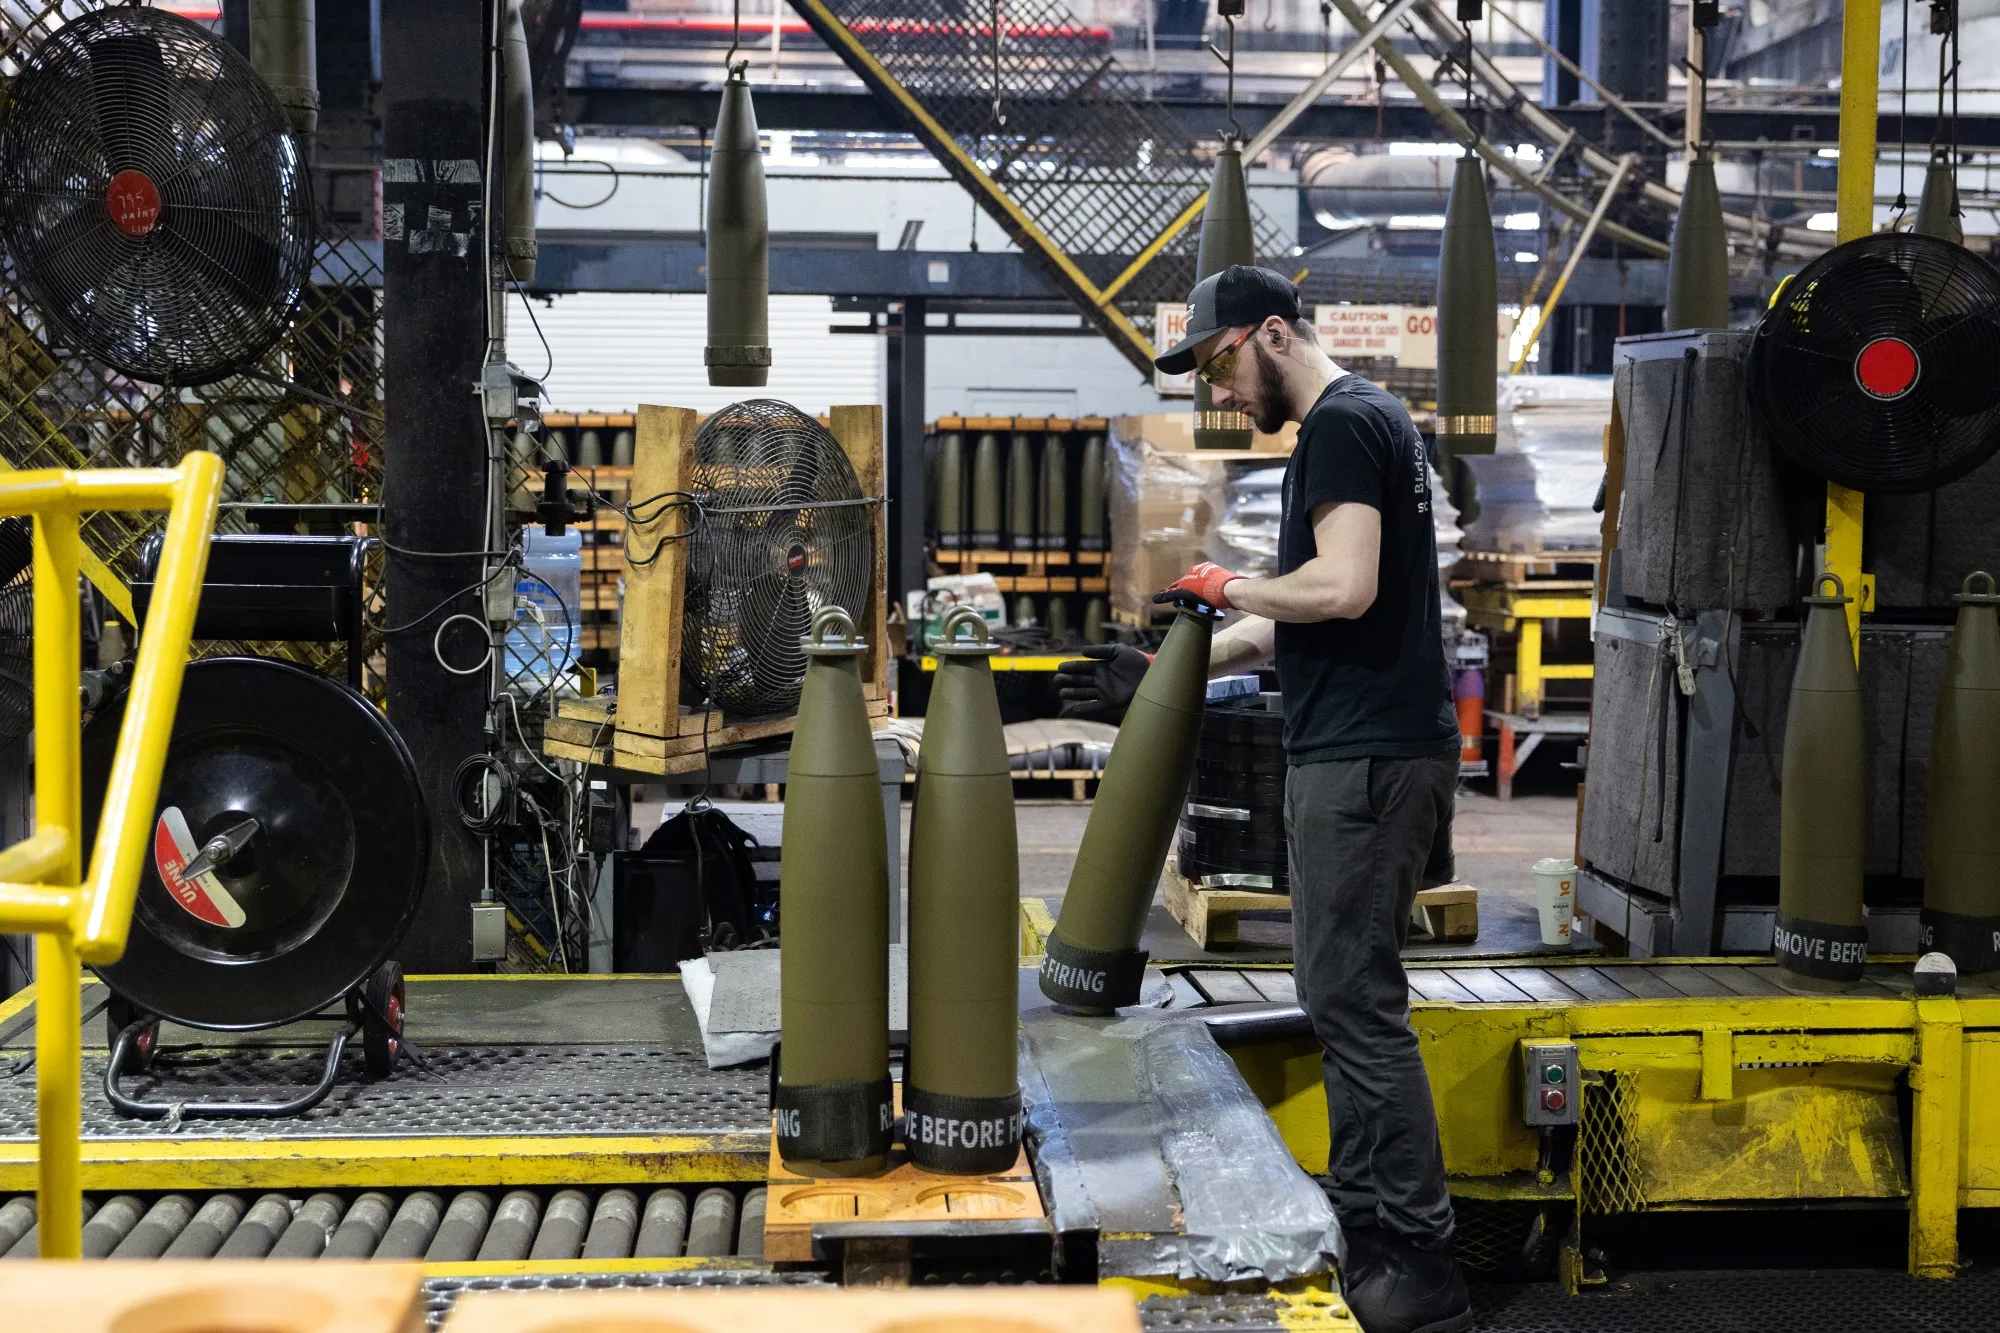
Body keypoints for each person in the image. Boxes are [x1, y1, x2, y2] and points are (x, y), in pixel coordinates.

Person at [1056, 265, 1468, 1333]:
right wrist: (1175, 661)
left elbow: (1343, 587)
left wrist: (1220, 583)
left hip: (1366, 761)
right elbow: (1305, 618)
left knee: (1354, 1006)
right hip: (1369, 751)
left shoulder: (1340, 424)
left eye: (1219, 364)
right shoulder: (1362, 420)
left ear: (1270, 333)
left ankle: (1414, 1261)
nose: (1219, 394)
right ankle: (1374, 1220)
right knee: (1345, 998)